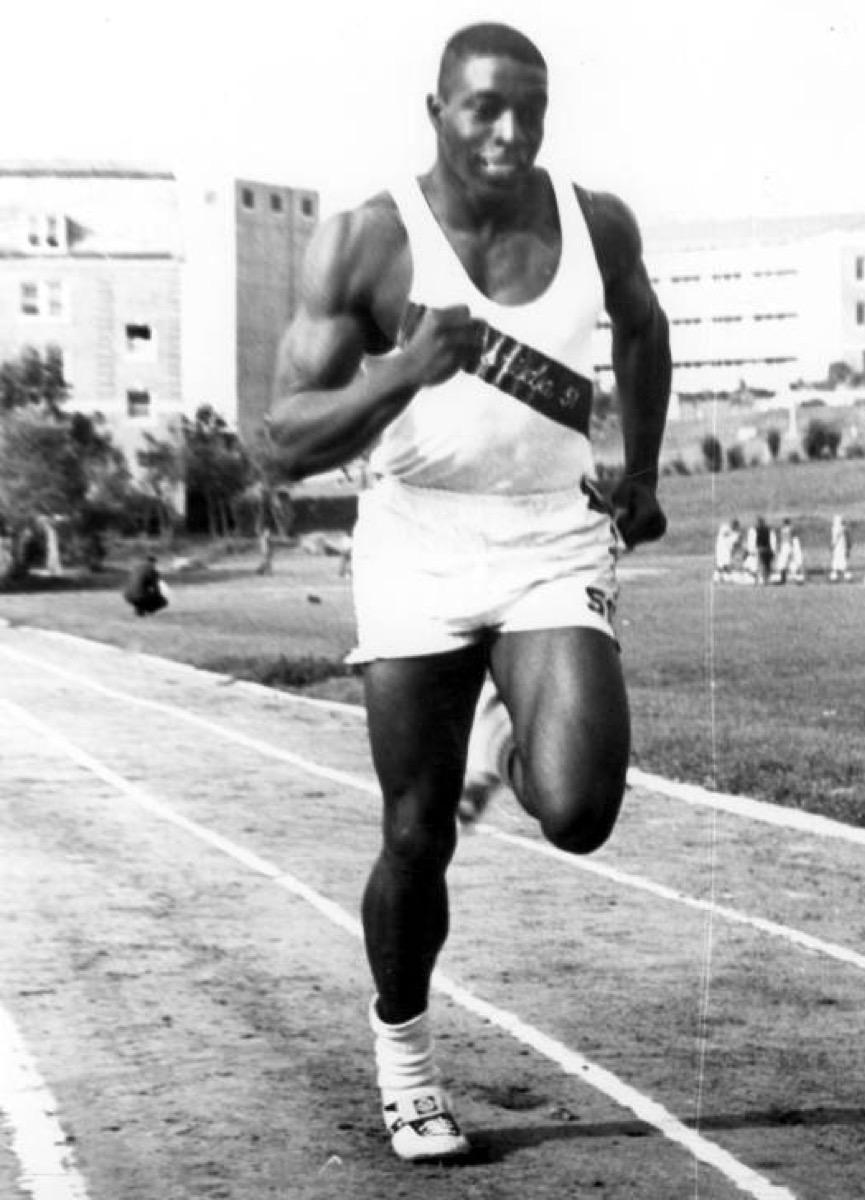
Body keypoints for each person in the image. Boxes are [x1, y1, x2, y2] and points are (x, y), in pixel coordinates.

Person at [267, 22, 671, 1163]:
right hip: (414, 546)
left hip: (548, 537)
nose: (507, 132)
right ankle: (406, 1066)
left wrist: (637, 475)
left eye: (528, 110)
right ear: (433, 109)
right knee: (415, 832)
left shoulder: (595, 222)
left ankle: (513, 703)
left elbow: (641, 329)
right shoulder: (368, 240)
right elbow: (277, 443)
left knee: (579, 810)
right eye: (482, 108)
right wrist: (401, 371)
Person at [830, 514, 852, 581]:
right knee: (841, 562)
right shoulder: (844, 529)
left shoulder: (837, 529)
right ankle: (843, 576)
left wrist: (832, 544)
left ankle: (836, 576)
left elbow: (835, 538)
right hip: (842, 548)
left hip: (839, 548)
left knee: (838, 561)